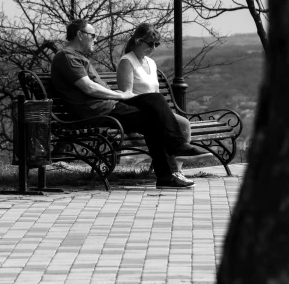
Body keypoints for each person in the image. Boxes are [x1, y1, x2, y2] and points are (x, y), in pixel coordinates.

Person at [50, 19, 206, 189]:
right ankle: (173, 157)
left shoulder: (78, 57)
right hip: (98, 111)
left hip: (108, 105)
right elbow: (88, 88)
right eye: (92, 35)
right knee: (154, 113)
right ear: (80, 35)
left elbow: (92, 88)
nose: (95, 39)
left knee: (155, 107)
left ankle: (170, 166)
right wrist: (120, 96)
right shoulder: (67, 56)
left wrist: (117, 95)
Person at [116, 23, 192, 144]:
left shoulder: (151, 62)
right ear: (138, 40)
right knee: (184, 125)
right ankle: (179, 156)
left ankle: (175, 161)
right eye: (151, 43)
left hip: (156, 110)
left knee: (184, 125)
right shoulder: (127, 61)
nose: (154, 48)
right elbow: (126, 95)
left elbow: (156, 93)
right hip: (140, 111)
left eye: (156, 44)